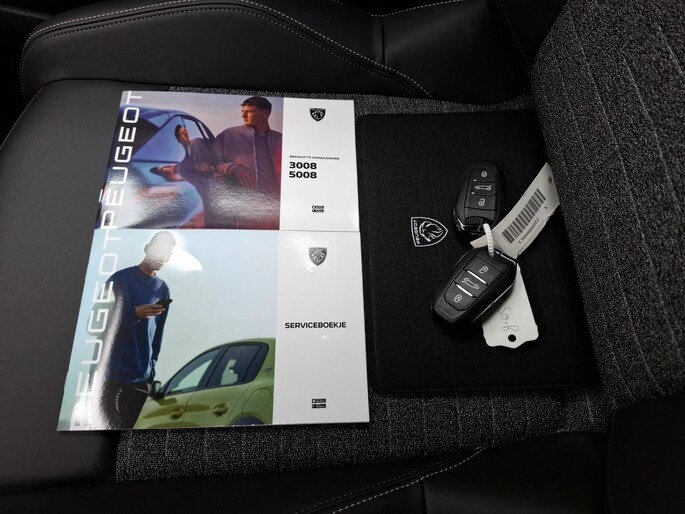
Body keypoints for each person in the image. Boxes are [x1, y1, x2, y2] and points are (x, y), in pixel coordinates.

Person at [96, 230, 176, 429]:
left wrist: (151, 368)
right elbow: (97, 325)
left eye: (168, 254)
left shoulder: (163, 288)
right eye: (160, 251)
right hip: (110, 376)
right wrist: (134, 314)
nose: (163, 258)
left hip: (141, 379)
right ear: (147, 249)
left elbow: (157, 334)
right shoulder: (119, 279)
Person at [212, 96, 283, 229]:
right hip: (243, 209)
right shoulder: (228, 135)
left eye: (249, 111)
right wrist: (232, 168)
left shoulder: (280, 140)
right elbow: (211, 164)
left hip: (274, 211)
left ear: (265, 113)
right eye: (243, 111)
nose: (243, 115)